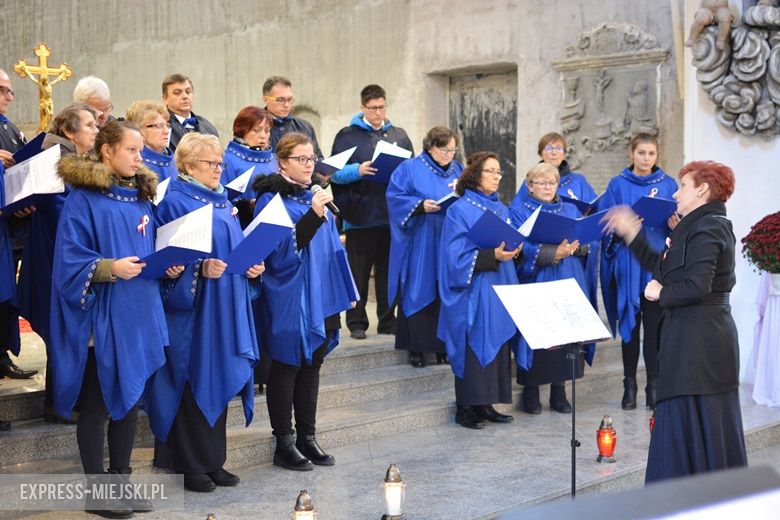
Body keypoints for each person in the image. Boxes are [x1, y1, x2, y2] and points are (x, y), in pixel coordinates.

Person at [51, 120, 172, 518]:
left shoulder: (141, 197)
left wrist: (167, 264)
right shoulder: (84, 198)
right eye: (132, 150)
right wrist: (108, 267)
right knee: (100, 405)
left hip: (139, 312)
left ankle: (121, 480)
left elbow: (150, 244)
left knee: (131, 401)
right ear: (107, 151)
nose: (141, 158)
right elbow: (68, 260)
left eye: (141, 151)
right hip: (101, 319)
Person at [602, 160, 746, 483]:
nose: (677, 193)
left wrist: (660, 293)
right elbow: (662, 265)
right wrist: (633, 234)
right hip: (689, 343)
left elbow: (696, 286)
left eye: (683, 185)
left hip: (702, 347)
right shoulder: (693, 226)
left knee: (698, 421)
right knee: (684, 423)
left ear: (702, 190)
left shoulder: (710, 228)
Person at [146, 133, 261, 493]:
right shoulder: (174, 202)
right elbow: (165, 261)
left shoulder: (223, 202)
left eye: (220, 164)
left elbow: (233, 247)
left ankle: (213, 461)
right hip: (192, 310)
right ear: (187, 165)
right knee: (193, 378)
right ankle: (190, 464)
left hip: (225, 303)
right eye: (211, 164)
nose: (218, 170)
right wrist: (199, 270)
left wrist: (250, 265)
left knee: (218, 372)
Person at [251, 133, 355, 471]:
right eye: (301, 159)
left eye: (311, 159)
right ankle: (284, 441)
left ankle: (307, 437)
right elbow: (279, 253)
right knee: (287, 365)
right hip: (290, 295)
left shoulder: (316, 196)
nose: (309, 165)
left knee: (314, 363)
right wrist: (312, 214)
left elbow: (333, 249)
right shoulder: (271, 199)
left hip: (322, 293)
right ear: (282, 162)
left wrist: (346, 288)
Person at [16, 103, 99, 423]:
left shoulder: (75, 161)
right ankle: (59, 403)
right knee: (62, 331)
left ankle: (69, 399)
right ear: (69, 131)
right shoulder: (54, 163)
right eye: (89, 125)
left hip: (63, 260)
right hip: (55, 263)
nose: (95, 129)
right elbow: (66, 213)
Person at [438, 151, 519, 429]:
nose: (496, 177)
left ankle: (486, 403)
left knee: (496, 344)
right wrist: (490, 256)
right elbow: (453, 257)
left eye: (499, 172)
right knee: (472, 345)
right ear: (475, 175)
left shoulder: (502, 209)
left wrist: (514, 250)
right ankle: (466, 407)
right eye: (490, 171)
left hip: (499, 286)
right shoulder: (459, 209)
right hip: (472, 289)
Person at [599, 133, 678, 410]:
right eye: (641, 153)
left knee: (655, 328)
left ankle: (653, 386)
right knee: (630, 328)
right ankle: (629, 385)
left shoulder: (668, 184)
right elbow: (606, 225)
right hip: (628, 263)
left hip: (656, 262)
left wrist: (674, 223)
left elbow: (677, 227)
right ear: (631, 154)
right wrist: (624, 227)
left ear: (657, 156)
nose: (646, 158)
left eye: (651, 154)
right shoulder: (618, 184)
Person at [509, 163, 595, 414]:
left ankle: (560, 390)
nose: (547, 187)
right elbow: (518, 247)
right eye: (541, 182)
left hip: (569, 276)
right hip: (538, 278)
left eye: (552, 182)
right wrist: (551, 252)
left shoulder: (569, 208)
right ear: (529, 185)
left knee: (566, 336)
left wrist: (575, 248)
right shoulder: (517, 210)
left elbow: (586, 242)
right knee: (537, 333)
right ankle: (531, 391)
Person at [330, 84, 414, 340]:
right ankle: (356, 321)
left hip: (390, 216)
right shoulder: (347, 136)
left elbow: (411, 170)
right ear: (362, 108)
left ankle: (388, 319)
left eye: (382, 107)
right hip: (360, 215)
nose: (378, 112)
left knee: (389, 271)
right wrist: (359, 170)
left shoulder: (398, 135)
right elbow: (333, 173)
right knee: (359, 271)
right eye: (373, 108)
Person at [386, 126, 462, 367]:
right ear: (431, 147)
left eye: (453, 150)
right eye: (445, 149)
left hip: (449, 239)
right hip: (422, 238)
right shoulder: (409, 168)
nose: (450, 154)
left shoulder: (458, 169)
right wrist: (419, 205)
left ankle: (442, 347)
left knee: (446, 289)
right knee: (419, 287)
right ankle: (417, 349)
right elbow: (394, 196)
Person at [0, 68, 38, 382]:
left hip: (11, 227)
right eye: (2, 90)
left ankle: (2, 354)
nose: (9, 97)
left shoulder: (10, 128)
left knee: (6, 300)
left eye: (11, 91)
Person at [222, 106, 278, 228]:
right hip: (243, 226)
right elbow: (222, 199)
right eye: (256, 130)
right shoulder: (227, 159)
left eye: (267, 130)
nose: (263, 135)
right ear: (242, 131)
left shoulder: (275, 159)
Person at [262, 76, 323, 159]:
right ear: (266, 99)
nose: (286, 105)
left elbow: (317, 158)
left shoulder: (305, 127)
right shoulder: (254, 128)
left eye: (289, 99)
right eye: (280, 100)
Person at [162, 74, 219, 150]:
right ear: (165, 98)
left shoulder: (208, 126)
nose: (185, 96)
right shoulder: (160, 127)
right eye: (177, 93)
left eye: (188, 92)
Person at [125, 100, 177, 182]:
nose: (166, 131)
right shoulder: (135, 164)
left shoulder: (171, 158)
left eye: (166, 125)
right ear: (140, 130)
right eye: (159, 126)